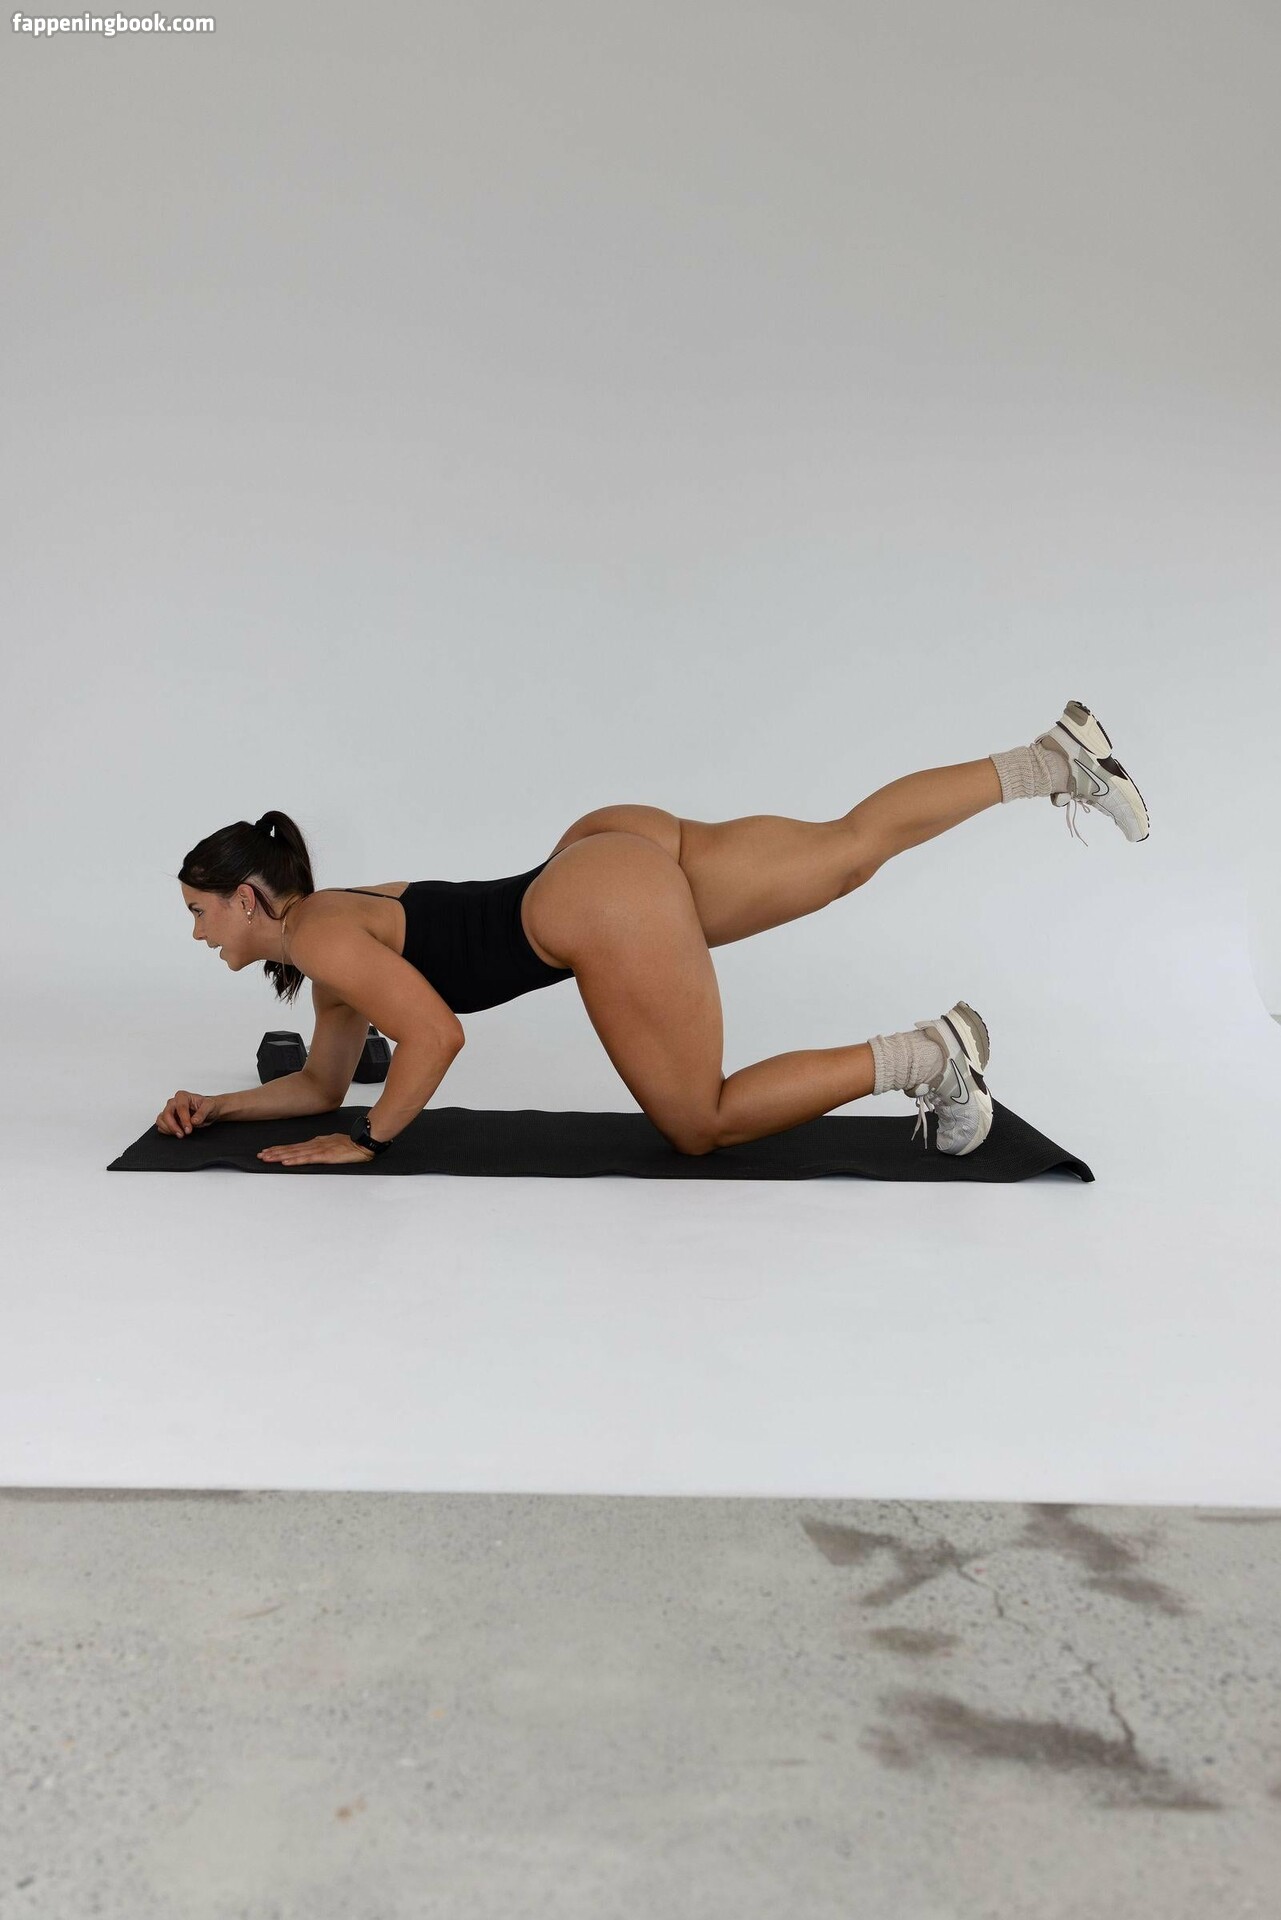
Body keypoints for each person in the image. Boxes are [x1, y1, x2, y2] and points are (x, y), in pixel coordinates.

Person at [158, 700, 1148, 1169]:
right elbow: (319, 1085)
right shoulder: (328, 937)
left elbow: (434, 1037)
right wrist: (220, 1106)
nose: (198, 932)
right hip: (604, 849)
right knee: (848, 850)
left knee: (700, 1123)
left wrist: (367, 1142)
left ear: (247, 898)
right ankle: (1050, 763)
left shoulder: (320, 937)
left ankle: (932, 1056)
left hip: (596, 906)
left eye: (200, 910)